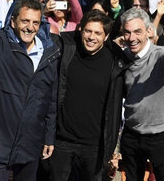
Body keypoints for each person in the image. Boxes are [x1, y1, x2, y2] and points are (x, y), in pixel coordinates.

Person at [0, 0, 60, 180]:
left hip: (30, 140)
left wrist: (49, 136)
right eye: (25, 21)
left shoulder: (49, 53)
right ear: (13, 21)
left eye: (35, 22)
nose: (30, 27)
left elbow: (50, 99)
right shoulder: (0, 42)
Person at [48, 10, 126, 180]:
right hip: (62, 141)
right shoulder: (66, 47)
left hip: (95, 146)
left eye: (98, 33)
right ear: (80, 30)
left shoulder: (116, 60)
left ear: (106, 37)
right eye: (88, 31)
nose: (91, 37)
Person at [119, 7, 164, 181]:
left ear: (149, 31)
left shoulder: (158, 54)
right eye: (127, 33)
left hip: (160, 135)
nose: (132, 38)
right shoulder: (122, 57)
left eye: (137, 32)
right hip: (132, 133)